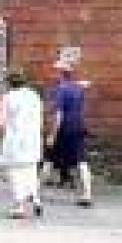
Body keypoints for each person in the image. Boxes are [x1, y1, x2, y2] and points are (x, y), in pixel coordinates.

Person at [0, 68, 42, 219]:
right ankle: (36, 199)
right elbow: (40, 118)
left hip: (15, 139)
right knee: (30, 170)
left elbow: (1, 123)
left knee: (15, 172)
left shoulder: (8, 97)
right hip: (33, 138)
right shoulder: (34, 95)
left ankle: (19, 206)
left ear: (9, 82)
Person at [48, 60, 92, 207]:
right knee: (82, 162)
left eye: (55, 71)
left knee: (48, 159)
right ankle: (87, 195)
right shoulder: (77, 88)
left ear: (60, 73)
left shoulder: (60, 90)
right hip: (78, 127)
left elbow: (59, 114)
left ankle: (34, 194)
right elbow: (86, 84)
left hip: (63, 130)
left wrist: (52, 135)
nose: (53, 73)